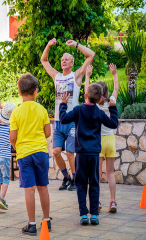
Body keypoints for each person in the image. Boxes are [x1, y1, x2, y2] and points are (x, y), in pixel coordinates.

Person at [59, 83, 118, 226]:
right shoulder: (99, 112)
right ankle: (95, 215)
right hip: (94, 154)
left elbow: (63, 119)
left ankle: (84, 214)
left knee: (80, 184)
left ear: (85, 96)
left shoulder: (78, 110)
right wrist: (112, 107)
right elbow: (113, 123)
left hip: (80, 154)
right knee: (94, 183)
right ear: (99, 100)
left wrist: (63, 104)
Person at [41, 38, 95, 191]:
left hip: (72, 121)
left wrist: (77, 45)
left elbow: (91, 55)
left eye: (67, 59)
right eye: (62, 59)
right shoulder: (56, 76)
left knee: (71, 153)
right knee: (56, 152)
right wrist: (48, 45)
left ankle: (77, 180)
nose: (63, 61)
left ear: (72, 63)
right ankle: (66, 177)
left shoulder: (76, 76)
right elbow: (44, 60)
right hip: (58, 122)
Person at [9, 73, 52, 235]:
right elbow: (47, 132)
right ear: (36, 92)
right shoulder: (41, 109)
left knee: (29, 189)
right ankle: (46, 222)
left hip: (24, 154)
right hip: (41, 152)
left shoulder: (16, 112)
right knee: (43, 187)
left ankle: (32, 225)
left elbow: (12, 137)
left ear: (19, 93)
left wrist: (18, 145)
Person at [85, 64, 119, 213]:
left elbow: (87, 91)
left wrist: (87, 76)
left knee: (97, 174)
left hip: (98, 141)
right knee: (110, 173)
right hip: (110, 140)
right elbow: (116, 89)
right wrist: (114, 74)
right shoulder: (111, 101)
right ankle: (113, 201)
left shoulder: (94, 104)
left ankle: (97, 200)